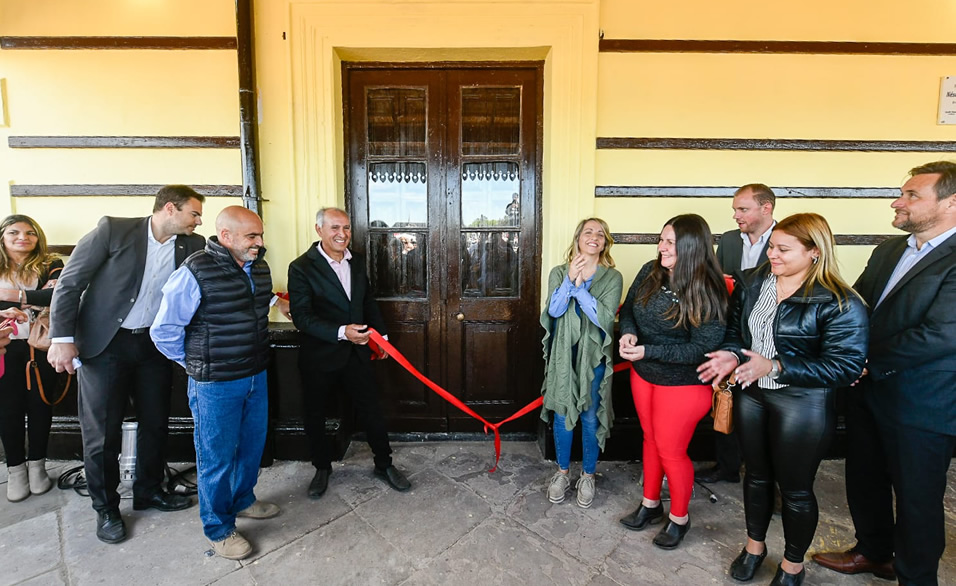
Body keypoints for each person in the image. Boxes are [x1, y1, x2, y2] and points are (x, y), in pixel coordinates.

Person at [697, 213, 868, 586]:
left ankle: (792, 565)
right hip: (753, 394)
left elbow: (845, 368)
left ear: (815, 253)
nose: (771, 254)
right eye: (772, 246)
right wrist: (731, 354)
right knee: (755, 477)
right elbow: (735, 331)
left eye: (783, 249)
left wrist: (774, 366)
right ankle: (754, 547)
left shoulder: (840, 302)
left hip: (802, 403)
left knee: (795, 489)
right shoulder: (755, 282)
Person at [812, 161, 956, 586]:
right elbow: (855, 308)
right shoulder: (889, 250)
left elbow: (940, 336)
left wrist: (863, 362)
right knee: (864, 479)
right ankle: (873, 553)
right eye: (902, 193)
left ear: (951, 203)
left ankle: (915, 578)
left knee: (917, 500)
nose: (899, 201)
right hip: (868, 394)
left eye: (913, 195)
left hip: (923, 402)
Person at [48, 185, 205, 544]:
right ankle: (106, 508)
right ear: (170, 209)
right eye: (193, 213)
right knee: (102, 432)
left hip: (153, 346)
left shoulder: (192, 246)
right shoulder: (113, 230)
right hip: (105, 345)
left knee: (156, 421)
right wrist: (62, 339)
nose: (198, 221)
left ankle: (149, 490)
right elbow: (70, 284)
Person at [151, 206, 280, 561]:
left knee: (251, 448)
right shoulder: (195, 270)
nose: (259, 242)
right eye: (251, 236)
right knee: (216, 459)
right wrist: (195, 364)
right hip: (215, 384)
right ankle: (219, 528)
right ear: (226, 236)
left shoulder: (259, 265)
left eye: (260, 235)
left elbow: (252, 303)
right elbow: (164, 330)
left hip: (255, 375)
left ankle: (242, 500)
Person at [618, 214, 728, 549]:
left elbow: (702, 349)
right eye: (662, 239)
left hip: (683, 384)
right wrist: (628, 334)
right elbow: (629, 311)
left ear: (692, 247)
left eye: (670, 242)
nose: (661, 247)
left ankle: (680, 518)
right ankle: (650, 504)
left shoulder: (708, 288)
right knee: (650, 441)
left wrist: (647, 350)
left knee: (671, 450)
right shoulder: (651, 271)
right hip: (644, 374)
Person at [288, 207, 411, 501]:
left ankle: (384, 464)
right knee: (315, 414)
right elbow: (302, 317)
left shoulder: (358, 263)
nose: (341, 234)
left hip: (357, 355)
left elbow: (367, 302)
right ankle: (321, 468)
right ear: (319, 230)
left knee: (371, 410)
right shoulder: (301, 267)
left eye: (345, 228)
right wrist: (343, 331)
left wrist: (381, 338)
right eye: (334, 228)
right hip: (320, 356)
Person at [540, 218, 623, 508]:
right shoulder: (558, 272)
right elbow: (554, 310)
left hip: (593, 356)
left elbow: (603, 317)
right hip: (565, 355)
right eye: (588, 231)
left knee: (589, 415)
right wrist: (568, 281)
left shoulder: (612, 278)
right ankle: (562, 473)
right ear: (577, 238)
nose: (594, 237)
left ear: (605, 242)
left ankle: (588, 474)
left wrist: (579, 289)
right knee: (563, 413)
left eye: (600, 234)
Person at [698, 184, 776, 485]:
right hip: (729, 333)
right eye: (735, 209)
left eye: (742, 209)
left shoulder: (788, 239)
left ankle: (773, 481)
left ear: (766, 208)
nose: (735, 215)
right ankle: (727, 467)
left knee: (769, 411)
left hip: (770, 337)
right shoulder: (729, 240)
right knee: (726, 400)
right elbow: (717, 285)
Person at [0, 215, 62, 502]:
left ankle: (38, 465)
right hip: (4, 347)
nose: (22, 237)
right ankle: (15, 469)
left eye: (30, 233)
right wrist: (28, 300)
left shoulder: (52, 264)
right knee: (7, 410)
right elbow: (40, 298)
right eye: (14, 232)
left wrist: (10, 298)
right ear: (2, 236)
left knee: (41, 406)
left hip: (39, 345)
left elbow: (55, 297)